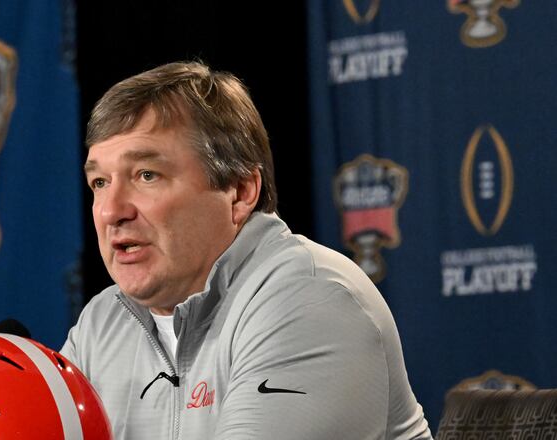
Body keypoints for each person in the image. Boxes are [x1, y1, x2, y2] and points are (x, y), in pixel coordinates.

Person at [60, 60, 433, 439]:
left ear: (239, 192)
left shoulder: (310, 299)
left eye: (146, 175)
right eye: (100, 182)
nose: (111, 211)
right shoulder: (102, 323)